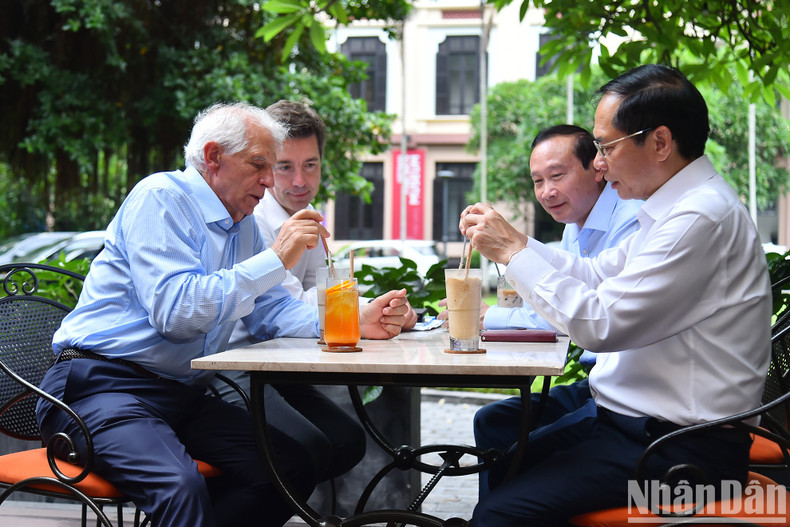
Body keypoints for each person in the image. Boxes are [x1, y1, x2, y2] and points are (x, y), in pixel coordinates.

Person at [35, 101, 411, 527]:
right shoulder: (161, 198)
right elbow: (176, 313)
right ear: (213, 158)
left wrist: (351, 322)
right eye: (259, 165)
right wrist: (276, 258)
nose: (270, 182)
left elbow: (271, 311)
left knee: (290, 466)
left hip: (182, 394)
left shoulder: (242, 225)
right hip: (98, 388)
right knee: (180, 486)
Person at [460, 64, 771, 526]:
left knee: (501, 511)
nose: (600, 163)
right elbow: (594, 273)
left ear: (660, 142)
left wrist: (511, 253)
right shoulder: (674, 209)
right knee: (504, 457)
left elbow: (600, 325)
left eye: (606, 146)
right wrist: (519, 245)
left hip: (683, 449)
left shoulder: (699, 218)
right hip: (634, 423)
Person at [219, 99, 415, 488]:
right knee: (313, 448)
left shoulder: (303, 216)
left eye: (310, 165)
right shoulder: (255, 219)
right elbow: (288, 306)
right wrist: (360, 313)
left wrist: (381, 311)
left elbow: (319, 293)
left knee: (345, 442)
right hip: (237, 366)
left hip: (283, 365)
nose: (299, 181)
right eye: (285, 167)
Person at [470, 124, 642, 496]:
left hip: (632, 395)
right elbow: (574, 288)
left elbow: (584, 310)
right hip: (608, 383)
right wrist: (516, 246)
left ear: (595, 168)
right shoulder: (573, 226)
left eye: (558, 175)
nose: (547, 192)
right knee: (493, 421)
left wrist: (511, 256)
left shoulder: (636, 219)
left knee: (516, 464)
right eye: (538, 181)